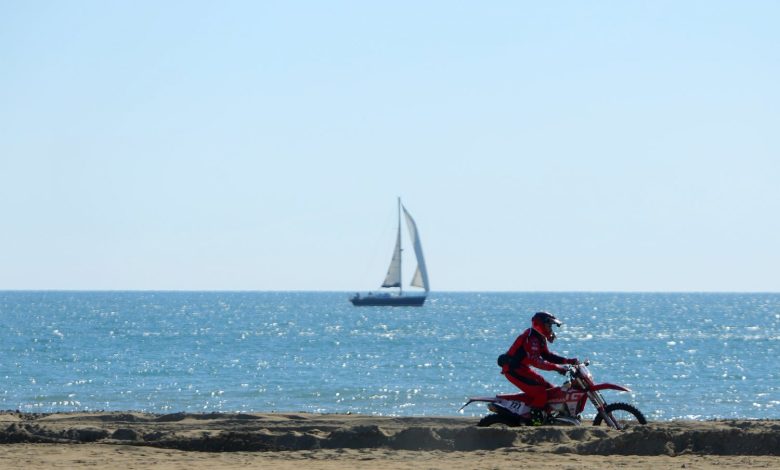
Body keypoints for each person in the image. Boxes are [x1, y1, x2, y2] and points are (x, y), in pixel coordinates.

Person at [498, 311, 578, 424]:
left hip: (523, 369)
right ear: (540, 324)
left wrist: (568, 361)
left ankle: (548, 416)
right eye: (549, 325)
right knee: (541, 393)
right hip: (513, 371)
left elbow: (547, 356)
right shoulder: (531, 339)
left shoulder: (539, 338)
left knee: (551, 389)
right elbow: (537, 362)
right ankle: (535, 422)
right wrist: (558, 368)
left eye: (551, 326)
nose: (550, 328)